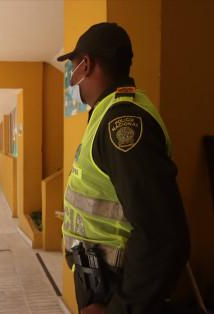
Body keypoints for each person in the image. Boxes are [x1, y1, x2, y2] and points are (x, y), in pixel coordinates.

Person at [57, 23, 189, 314]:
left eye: (73, 66)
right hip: (99, 283)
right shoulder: (105, 114)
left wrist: (120, 309)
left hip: (117, 291)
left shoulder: (123, 123)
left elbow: (163, 235)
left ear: (86, 65)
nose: (73, 77)